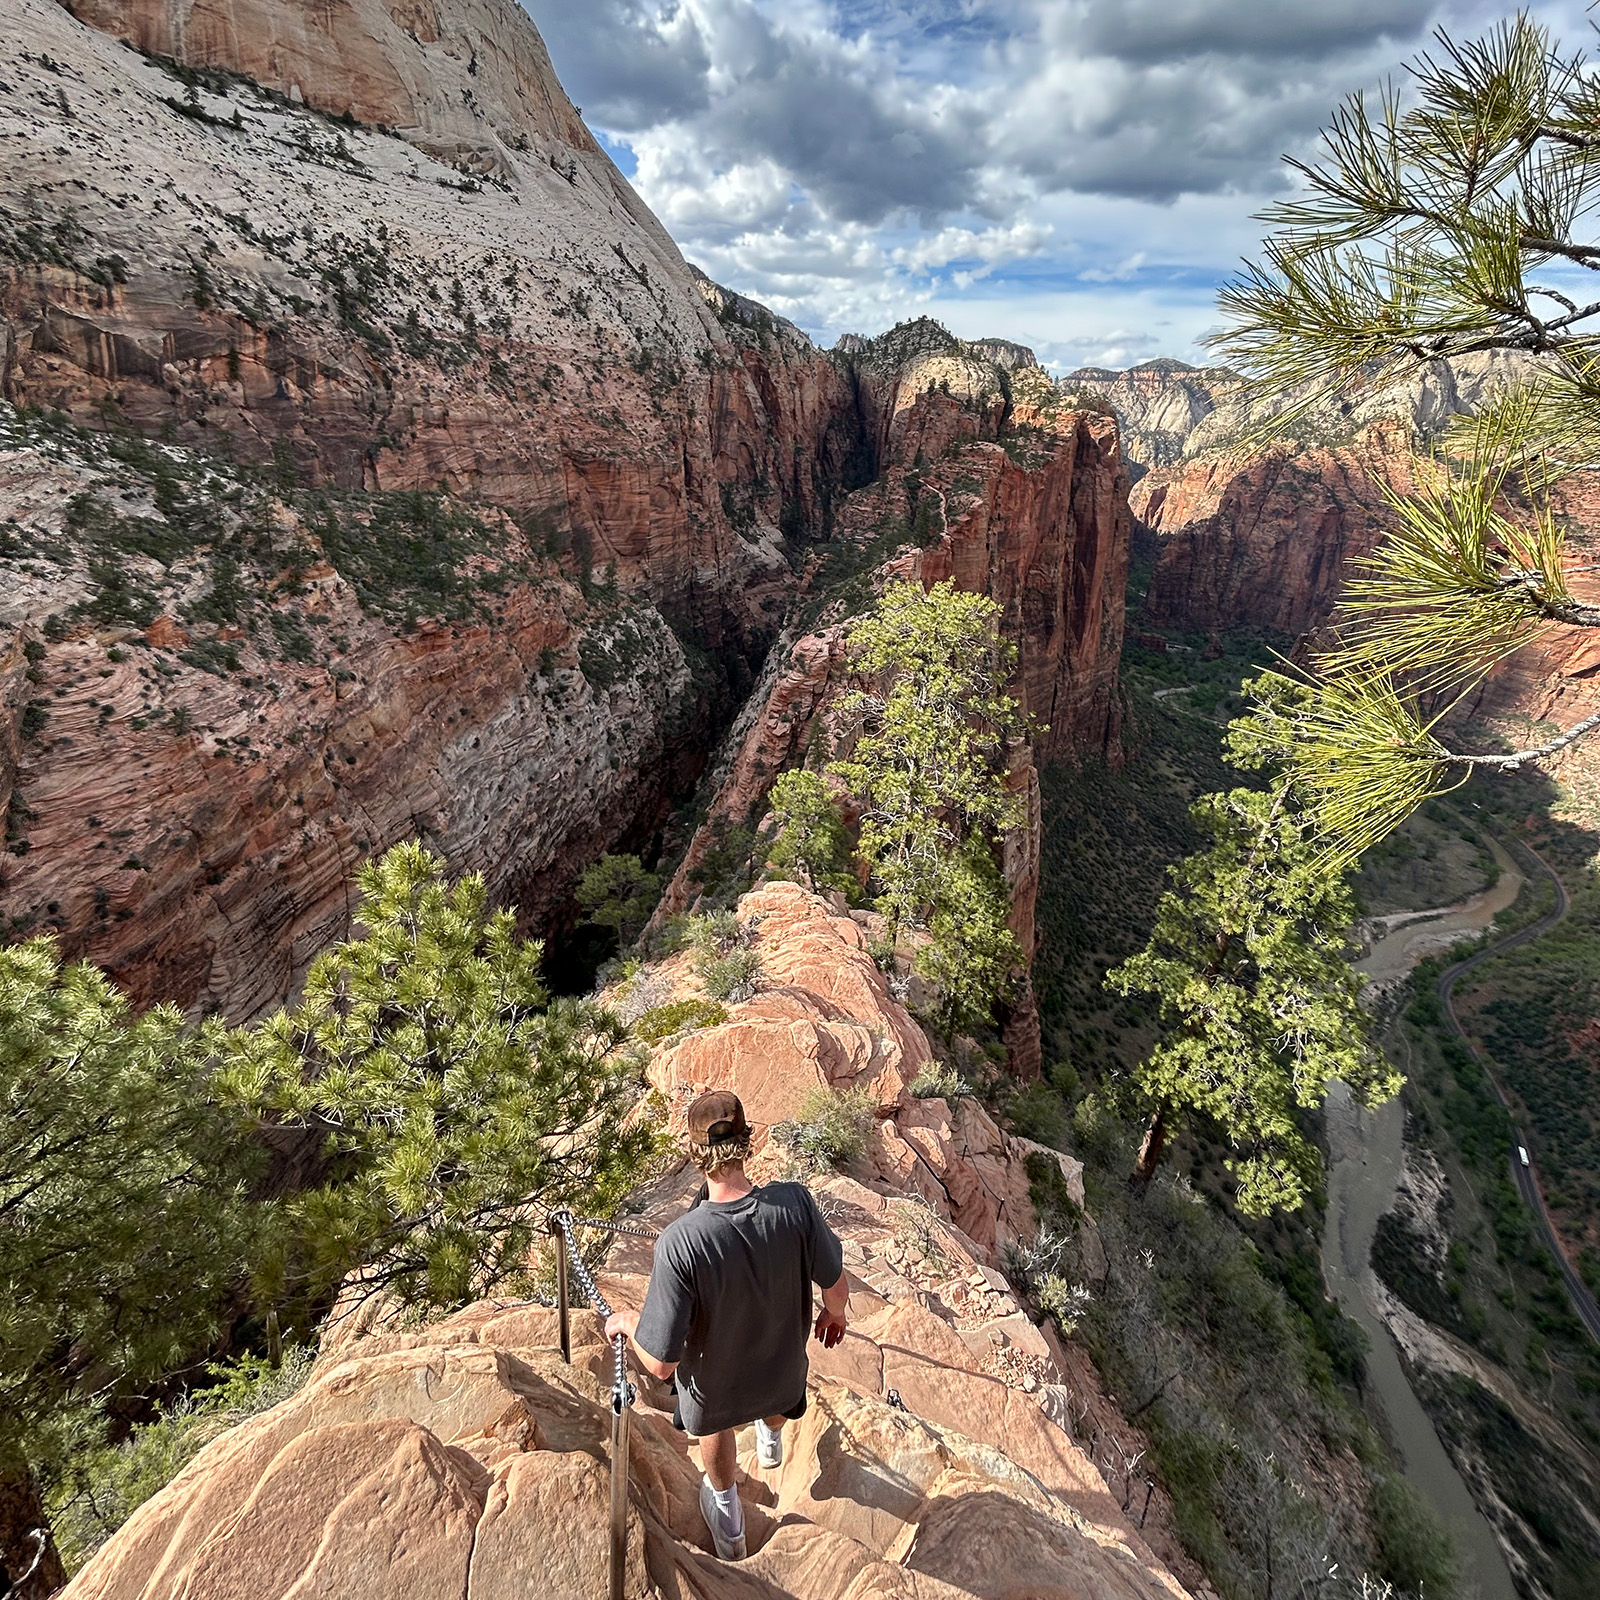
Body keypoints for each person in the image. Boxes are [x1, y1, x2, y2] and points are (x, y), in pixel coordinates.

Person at [604, 1089, 850, 1561]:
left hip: (716, 1400)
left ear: (695, 1155)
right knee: (779, 1390)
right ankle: (771, 1435)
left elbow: (659, 1365)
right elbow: (835, 1287)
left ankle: (727, 1516)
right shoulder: (794, 1205)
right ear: (747, 1142)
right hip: (782, 1382)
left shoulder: (682, 1242)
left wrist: (631, 1319)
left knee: (709, 1407)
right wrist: (834, 1315)